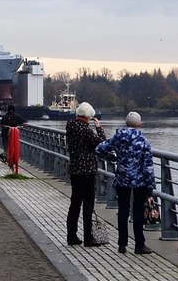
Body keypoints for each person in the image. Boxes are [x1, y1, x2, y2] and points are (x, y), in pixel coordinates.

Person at [96, 111, 155, 255]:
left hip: (122, 179)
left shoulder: (118, 137)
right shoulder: (143, 141)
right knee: (138, 212)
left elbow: (99, 149)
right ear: (139, 124)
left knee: (122, 211)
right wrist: (150, 185)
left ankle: (122, 244)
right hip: (139, 181)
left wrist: (113, 159)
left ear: (126, 123)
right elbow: (147, 166)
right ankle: (139, 245)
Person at [65, 102, 106, 247]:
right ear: (88, 116)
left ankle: (71, 236)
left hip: (75, 169)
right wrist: (99, 128)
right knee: (88, 203)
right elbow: (102, 144)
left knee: (75, 202)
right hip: (87, 171)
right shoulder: (86, 130)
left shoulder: (70, 126)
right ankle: (88, 237)